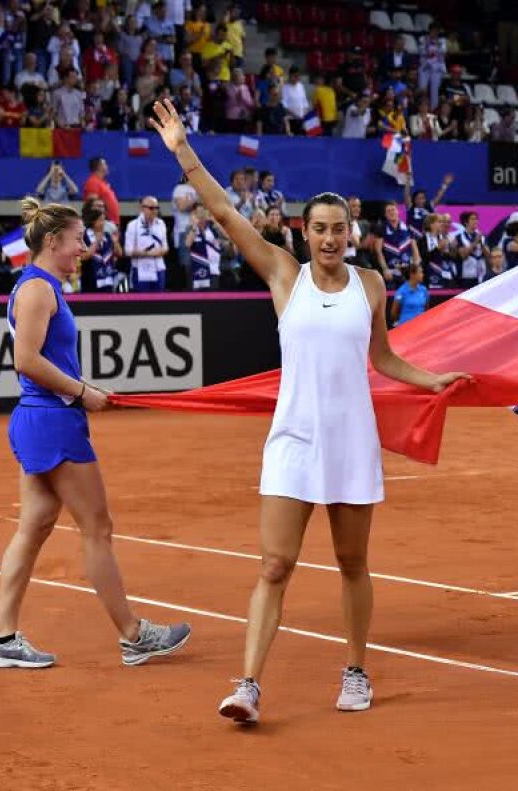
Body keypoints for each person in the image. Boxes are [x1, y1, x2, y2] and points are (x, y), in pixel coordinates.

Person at [148, 98, 468, 723]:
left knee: (353, 564)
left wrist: (431, 382)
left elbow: (385, 359)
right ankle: (247, 685)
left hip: (351, 441)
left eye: (339, 228)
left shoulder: (371, 285)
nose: (329, 238)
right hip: (293, 439)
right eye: (319, 228)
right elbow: (221, 210)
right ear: (302, 230)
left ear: (351, 232)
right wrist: (183, 151)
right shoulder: (281, 274)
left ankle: (355, 671)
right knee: (273, 565)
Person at [0, 198, 192, 670]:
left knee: (33, 529)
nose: (85, 247)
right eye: (79, 239)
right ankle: (133, 634)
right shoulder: (39, 290)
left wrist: (82, 393)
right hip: (53, 421)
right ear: (53, 241)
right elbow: (27, 361)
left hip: (43, 420)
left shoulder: (40, 286)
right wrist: (83, 393)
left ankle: (2, 639)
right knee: (97, 529)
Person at [124, 196, 169, 291]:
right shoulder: (132, 225)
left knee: (159, 301)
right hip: (140, 269)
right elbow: (128, 251)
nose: (154, 211)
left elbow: (165, 247)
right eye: (151, 208)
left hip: (158, 269)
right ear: (142, 208)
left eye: (156, 208)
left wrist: (160, 252)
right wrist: (147, 254)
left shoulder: (161, 224)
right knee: (141, 302)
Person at [79, 206, 121, 293]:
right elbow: (84, 257)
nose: (103, 223)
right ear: (93, 221)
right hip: (90, 281)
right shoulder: (84, 236)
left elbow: (119, 254)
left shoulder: (108, 235)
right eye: (101, 220)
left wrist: (115, 242)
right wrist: (97, 241)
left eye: (104, 220)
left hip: (108, 281)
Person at [376, 201, 420, 283]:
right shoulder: (381, 229)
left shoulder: (408, 228)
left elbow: (415, 250)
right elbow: (378, 251)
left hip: (408, 271)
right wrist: (385, 269)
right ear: (385, 215)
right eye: (388, 211)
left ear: (398, 211)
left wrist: (416, 267)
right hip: (391, 271)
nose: (391, 212)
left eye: (393, 210)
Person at [404, 173, 453, 242]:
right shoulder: (410, 207)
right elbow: (406, 195)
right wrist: (407, 181)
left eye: (423, 198)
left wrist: (445, 185)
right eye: (418, 198)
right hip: (414, 237)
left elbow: (438, 197)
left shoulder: (429, 207)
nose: (421, 200)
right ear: (414, 200)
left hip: (428, 238)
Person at [452, 211, 488, 285]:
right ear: (466, 222)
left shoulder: (481, 237)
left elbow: (488, 256)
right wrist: (475, 242)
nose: (476, 221)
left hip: (481, 275)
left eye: (476, 219)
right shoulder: (459, 238)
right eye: (473, 219)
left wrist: (481, 244)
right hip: (466, 276)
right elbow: (463, 255)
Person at [83, 157, 120, 226]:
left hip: (111, 223)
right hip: (103, 224)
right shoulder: (93, 182)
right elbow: (92, 206)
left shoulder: (103, 183)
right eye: (105, 164)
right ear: (99, 167)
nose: (107, 166)